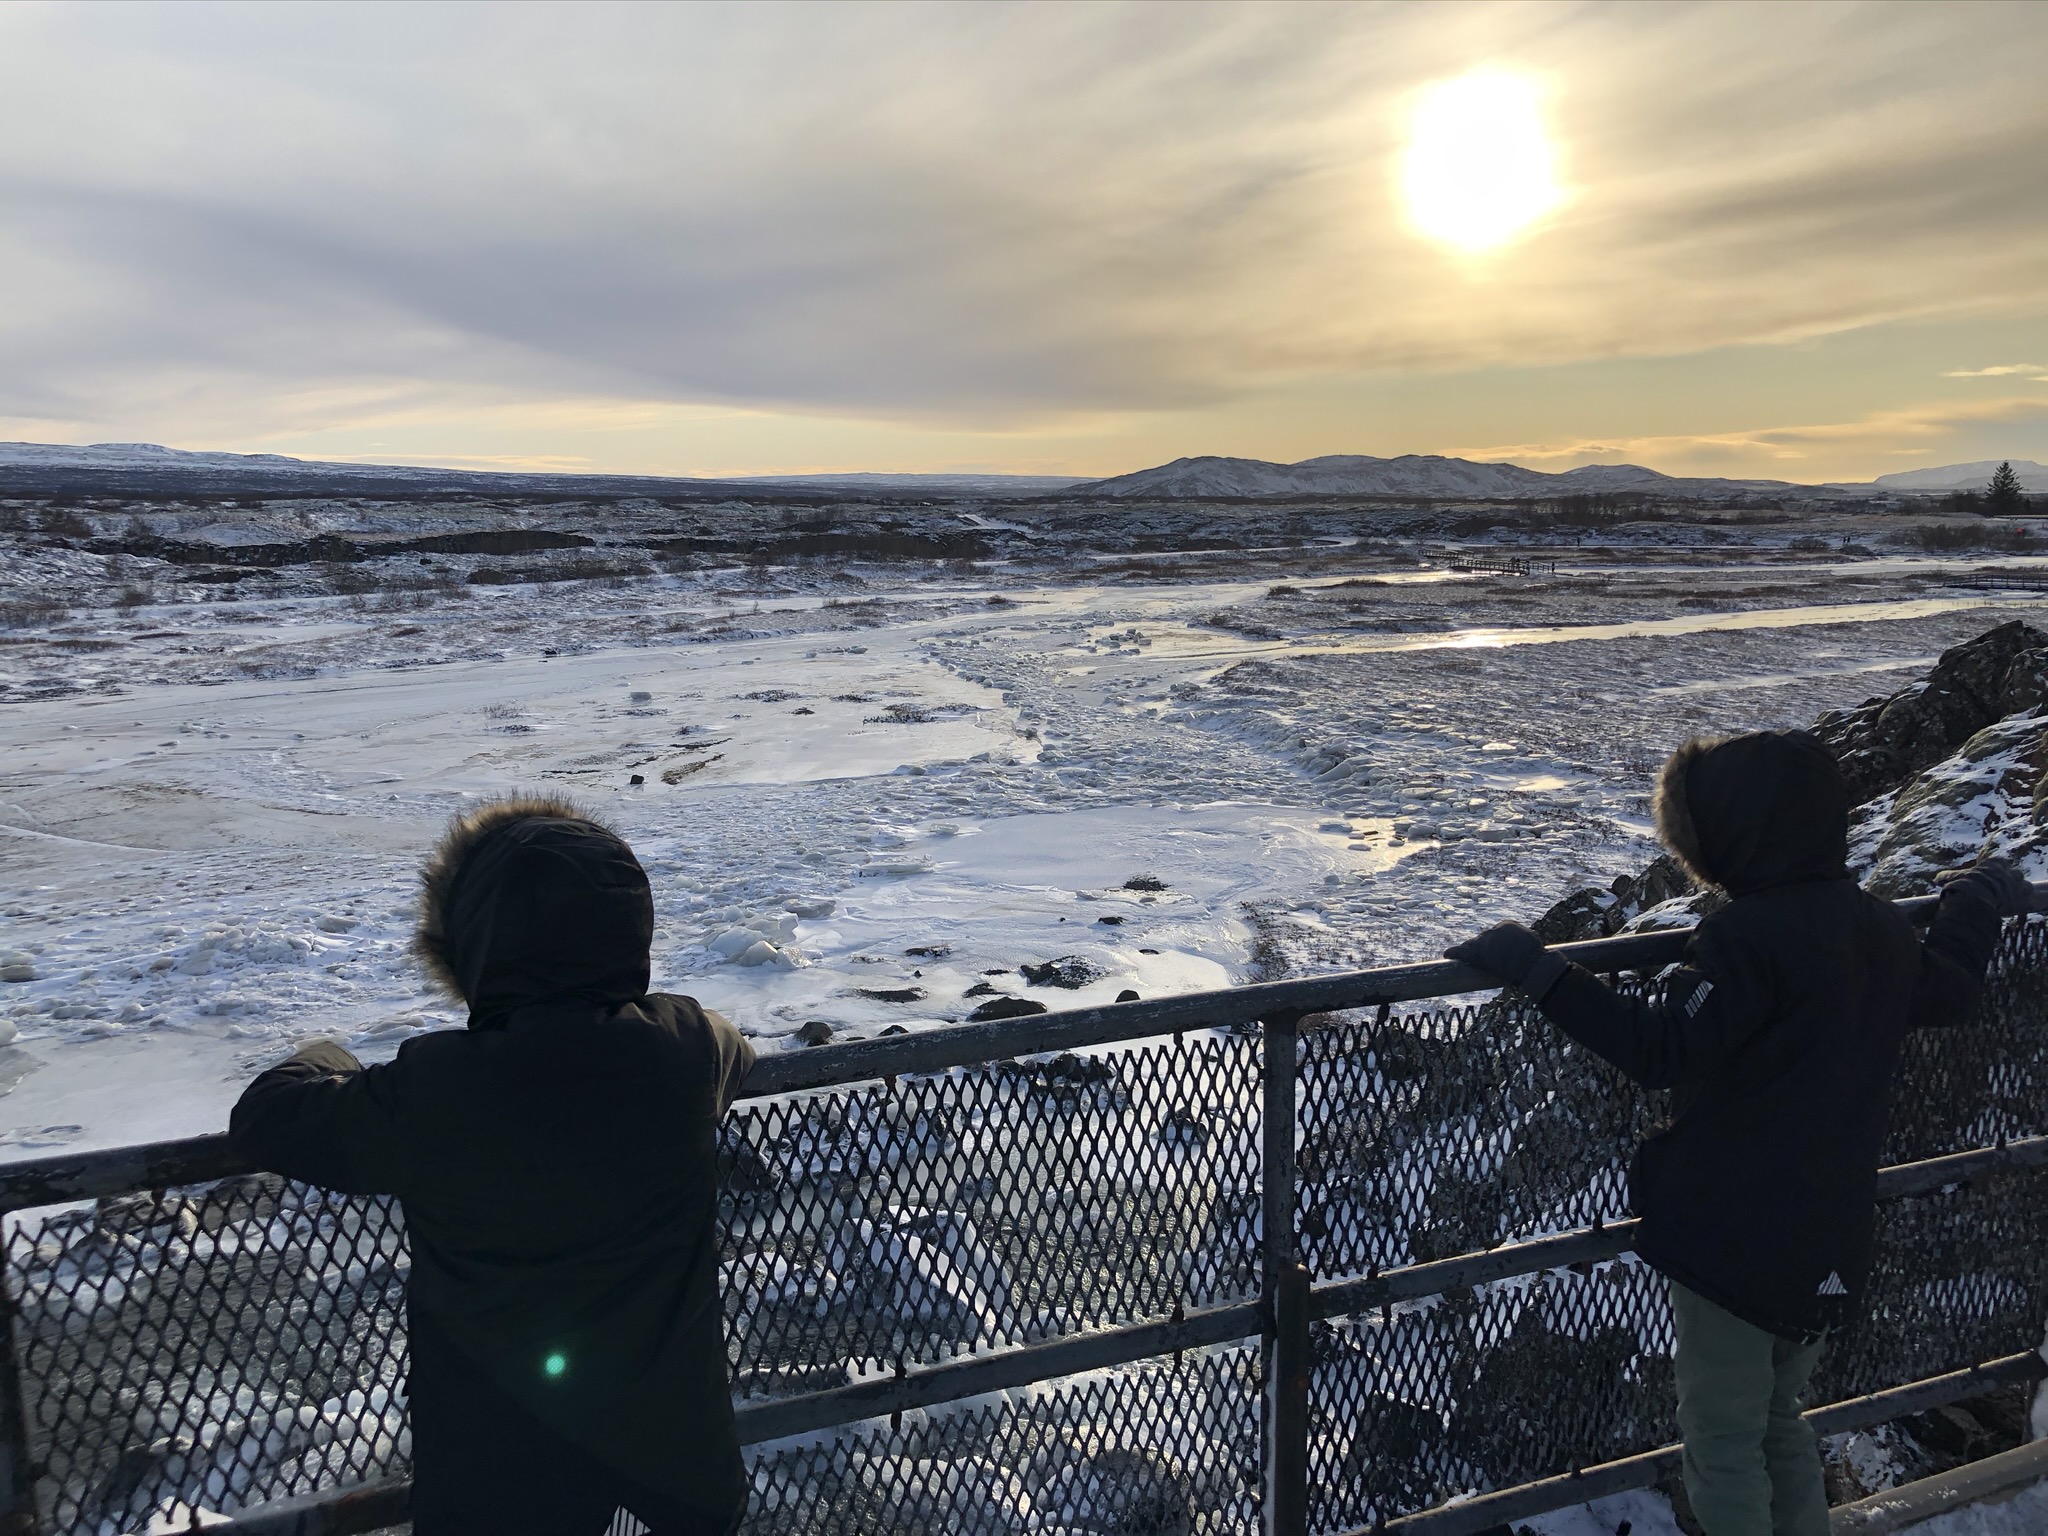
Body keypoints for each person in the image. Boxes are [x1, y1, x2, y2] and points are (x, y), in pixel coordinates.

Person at [1444, 730, 2029, 1536]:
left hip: (1737, 1236)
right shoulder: (1879, 927)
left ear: (1740, 835)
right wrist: (1975, 902)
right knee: (1779, 1417)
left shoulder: (1748, 937)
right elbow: (1954, 990)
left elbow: (1660, 1049)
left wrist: (1539, 970)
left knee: (1722, 1439)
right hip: (1830, 1229)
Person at [230, 796, 756, 1536]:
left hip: (502, 1475)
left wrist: (331, 1054)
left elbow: (266, 1118)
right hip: (676, 1456)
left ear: (472, 944)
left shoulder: (435, 1087)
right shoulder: (684, 1048)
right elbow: (733, 1047)